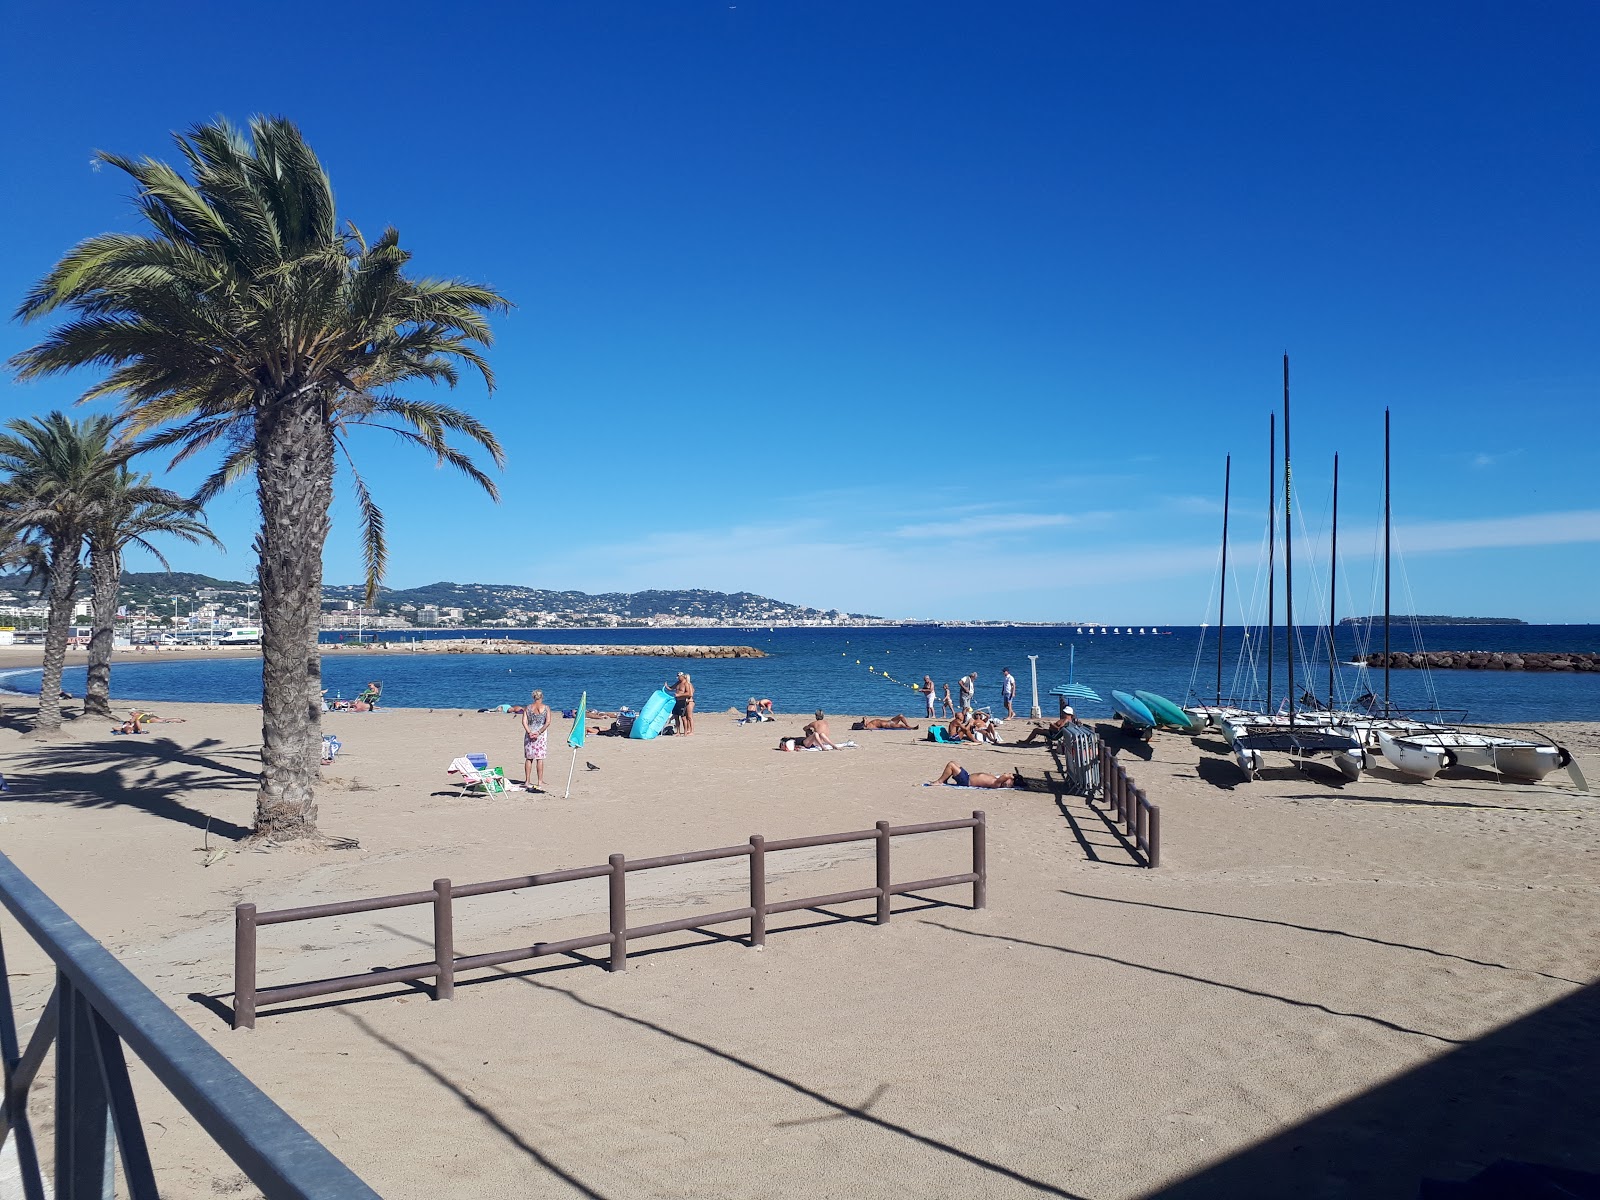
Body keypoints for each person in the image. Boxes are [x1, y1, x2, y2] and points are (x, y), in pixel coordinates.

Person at [520, 689, 550, 792]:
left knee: (529, 758)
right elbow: (547, 722)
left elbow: (524, 721)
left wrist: (529, 732)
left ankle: (527, 780)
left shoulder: (528, 708)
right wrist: (539, 732)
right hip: (540, 735)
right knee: (539, 758)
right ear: (542, 697)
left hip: (530, 733)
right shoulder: (546, 708)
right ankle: (539, 781)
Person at [929, 760, 1016, 789]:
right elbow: (1004, 776)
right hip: (967, 776)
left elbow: (1005, 775)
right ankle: (945, 780)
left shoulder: (996, 784)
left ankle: (940, 781)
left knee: (951, 764)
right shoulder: (996, 780)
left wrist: (1011, 776)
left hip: (966, 781)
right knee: (954, 763)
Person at [852, 714, 918, 730]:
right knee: (901, 725)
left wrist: (865, 719)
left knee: (901, 716)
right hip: (887, 725)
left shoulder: (870, 723)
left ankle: (908, 725)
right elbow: (866, 726)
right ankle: (911, 728)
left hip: (890, 721)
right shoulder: (869, 725)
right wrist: (865, 720)